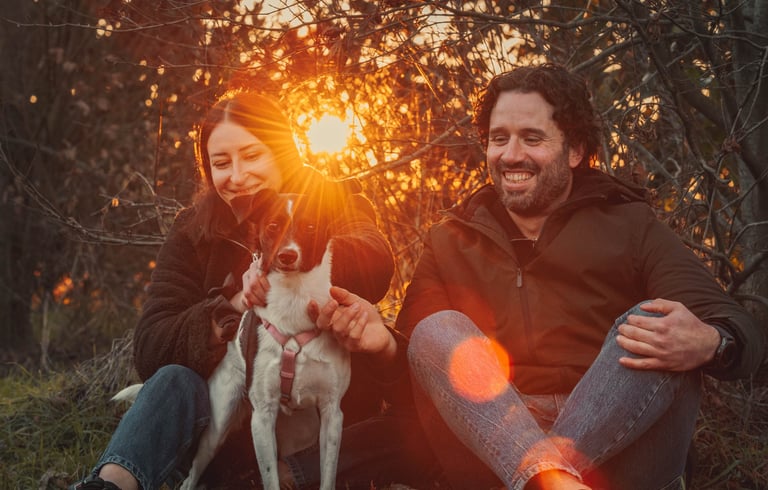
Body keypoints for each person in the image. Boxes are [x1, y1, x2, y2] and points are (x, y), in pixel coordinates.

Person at [395, 64, 766, 490]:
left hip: (622, 447)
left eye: (532, 138)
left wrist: (713, 342)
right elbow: (417, 361)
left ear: (574, 150)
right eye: (499, 139)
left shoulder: (630, 225)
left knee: (656, 323)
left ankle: (542, 479)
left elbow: (740, 330)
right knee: (437, 330)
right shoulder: (449, 240)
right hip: (496, 441)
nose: (511, 155)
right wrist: (373, 340)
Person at [70, 92, 435, 490]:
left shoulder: (329, 199)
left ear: (281, 152)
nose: (238, 175)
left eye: (252, 155)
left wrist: (283, 260)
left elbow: (374, 260)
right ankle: (111, 482)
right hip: (230, 421)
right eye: (221, 163)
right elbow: (152, 347)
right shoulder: (193, 231)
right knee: (173, 379)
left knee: (404, 433)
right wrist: (229, 306)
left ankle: (284, 477)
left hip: (326, 420)